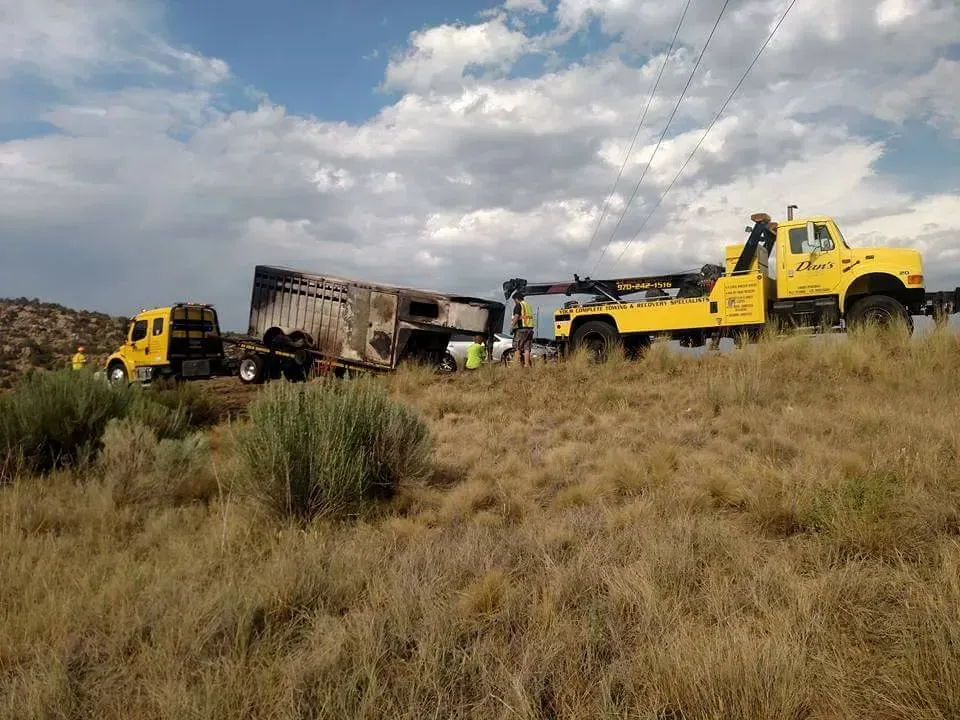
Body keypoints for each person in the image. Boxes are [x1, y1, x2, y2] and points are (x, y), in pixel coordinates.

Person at [511, 292, 535, 367]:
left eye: (514, 300)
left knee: (517, 347)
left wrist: (512, 327)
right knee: (527, 348)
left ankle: (516, 366)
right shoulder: (528, 305)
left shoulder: (519, 305)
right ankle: (527, 365)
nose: (514, 302)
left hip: (521, 329)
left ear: (516, 299)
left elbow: (516, 316)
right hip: (530, 329)